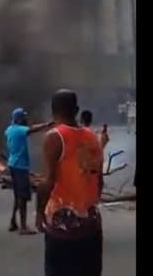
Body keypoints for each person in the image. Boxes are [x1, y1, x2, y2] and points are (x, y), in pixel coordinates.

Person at [36, 89, 104, 276]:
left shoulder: (54, 137)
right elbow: (99, 181)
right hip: (91, 224)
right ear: (77, 110)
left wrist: (39, 212)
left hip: (63, 227)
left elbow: (48, 181)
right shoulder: (93, 138)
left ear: (52, 110)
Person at [5, 108, 52, 235]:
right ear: (20, 119)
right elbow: (33, 129)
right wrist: (47, 125)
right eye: (24, 117)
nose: (26, 119)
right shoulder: (21, 130)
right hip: (20, 166)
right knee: (23, 197)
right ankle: (23, 226)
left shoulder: (10, 129)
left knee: (17, 195)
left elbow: (30, 128)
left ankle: (13, 222)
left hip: (12, 164)